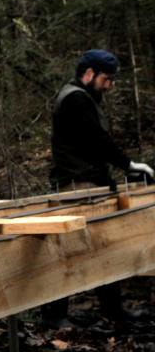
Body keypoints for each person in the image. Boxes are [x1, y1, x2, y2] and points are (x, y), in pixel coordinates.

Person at [42, 49, 153, 328]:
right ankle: (54, 316)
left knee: (104, 245)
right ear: (89, 73)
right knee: (72, 248)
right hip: (79, 185)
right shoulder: (76, 99)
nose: (110, 85)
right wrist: (128, 164)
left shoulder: (83, 98)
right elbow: (97, 140)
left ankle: (113, 310)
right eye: (107, 78)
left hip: (89, 182)